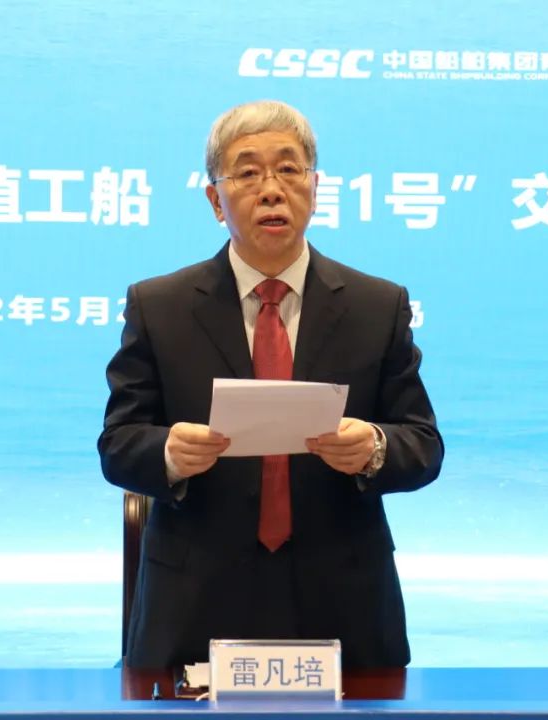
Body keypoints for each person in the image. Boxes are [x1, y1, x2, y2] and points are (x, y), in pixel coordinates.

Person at [98, 99, 442, 669]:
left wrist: (375, 448)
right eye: (248, 173)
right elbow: (117, 445)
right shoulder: (160, 306)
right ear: (216, 201)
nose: (272, 190)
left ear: (315, 188)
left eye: (288, 169)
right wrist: (169, 454)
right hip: (194, 606)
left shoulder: (377, 306)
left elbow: (424, 446)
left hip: (345, 604)